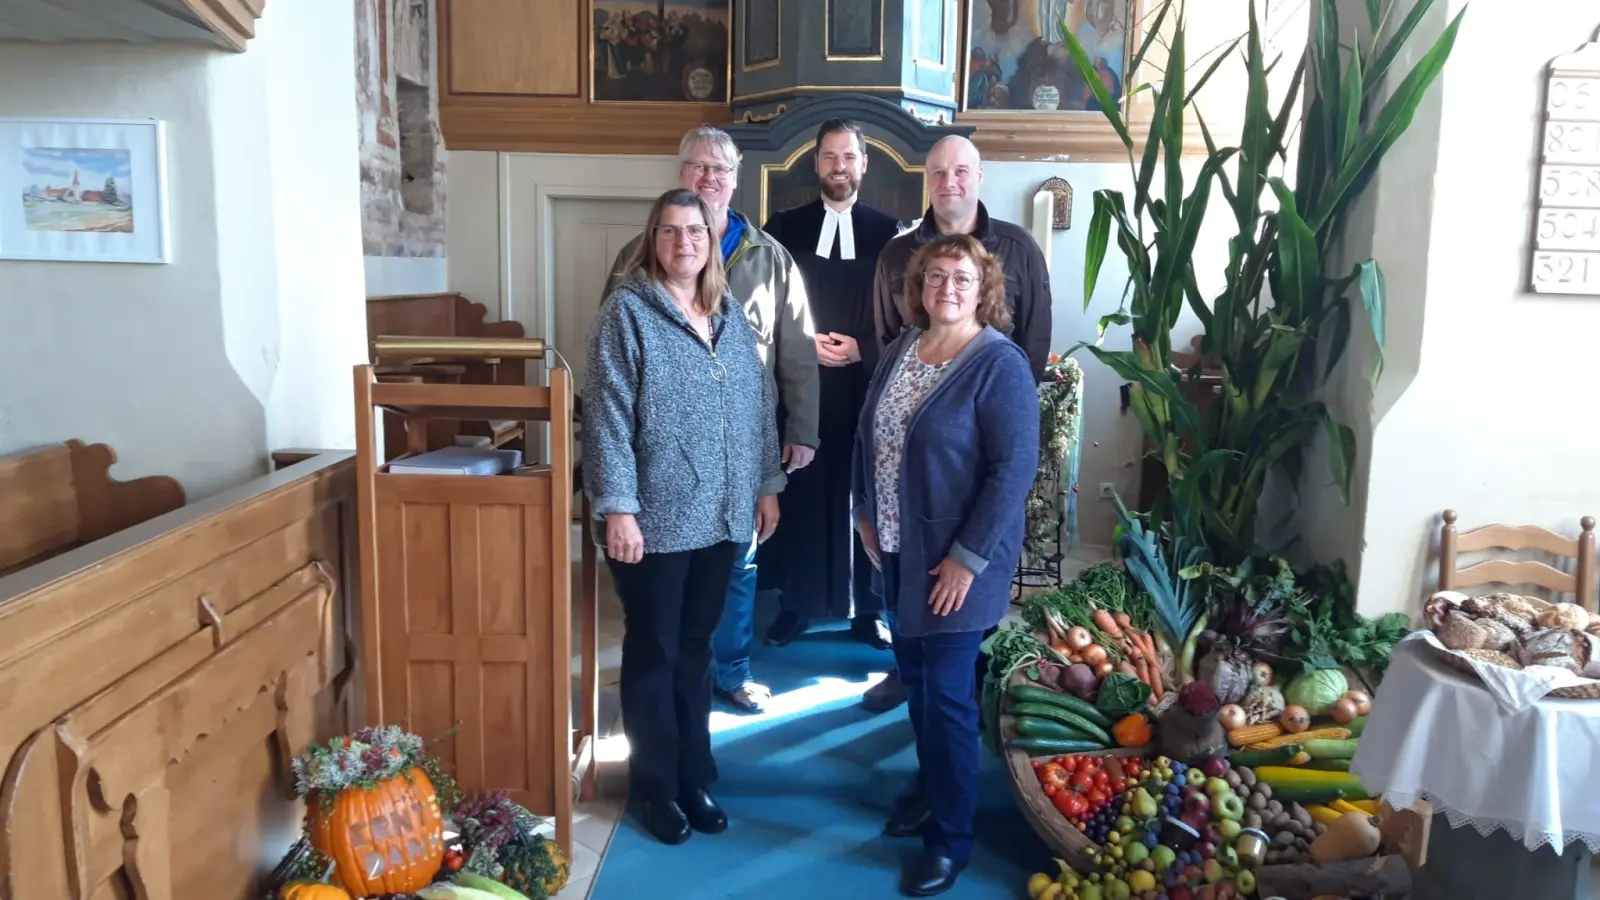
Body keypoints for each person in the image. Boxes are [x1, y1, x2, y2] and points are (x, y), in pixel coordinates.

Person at [583, 188, 786, 845]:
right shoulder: (628, 313)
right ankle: (654, 787)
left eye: (694, 231)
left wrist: (765, 485)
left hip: (723, 516)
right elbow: (608, 415)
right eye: (670, 231)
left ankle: (693, 776)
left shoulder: (728, 315)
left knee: (696, 653)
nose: (684, 243)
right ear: (653, 239)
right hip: (654, 520)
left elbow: (759, 406)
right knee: (654, 653)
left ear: (711, 238)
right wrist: (617, 507)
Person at [603, 126, 820, 714]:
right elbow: (613, 373)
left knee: (739, 565)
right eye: (699, 168)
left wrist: (801, 429)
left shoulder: (770, 257)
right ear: (682, 175)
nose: (710, 179)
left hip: (740, 452)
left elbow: (795, 351)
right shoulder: (635, 259)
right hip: (664, 468)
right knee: (666, 593)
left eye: (721, 170)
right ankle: (665, 676)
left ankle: (732, 670)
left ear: (736, 177)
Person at [853, 234, 1039, 896]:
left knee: (949, 698)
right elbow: (869, 431)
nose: (947, 288)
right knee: (920, 686)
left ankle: (951, 839)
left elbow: (1013, 471)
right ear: (919, 285)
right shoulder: (905, 347)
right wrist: (864, 512)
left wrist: (965, 561)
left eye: (961, 278)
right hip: (900, 554)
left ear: (983, 287)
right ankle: (934, 791)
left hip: (956, 564)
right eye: (936, 276)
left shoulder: (999, 364)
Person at [863, 133, 1053, 713]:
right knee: (920, 655)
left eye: (961, 171)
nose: (949, 182)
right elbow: (881, 347)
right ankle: (918, 675)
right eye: (938, 172)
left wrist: (990, 388)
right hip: (910, 458)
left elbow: (1035, 342)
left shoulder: (1018, 250)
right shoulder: (897, 256)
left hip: (976, 431)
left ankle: (961, 680)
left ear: (978, 177)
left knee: (952, 659)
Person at [757, 118, 902, 650]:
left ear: (864, 164)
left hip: (866, 387)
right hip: (802, 387)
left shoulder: (891, 233)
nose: (839, 167)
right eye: (829, 157)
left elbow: (906, 313)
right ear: (815, 163)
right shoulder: (783, 229)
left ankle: (869, 610)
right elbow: (762, 306)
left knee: (864, 491)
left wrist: (863, 347)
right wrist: (803, 344)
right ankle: (796, 604)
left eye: (849, 157)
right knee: (803, 490)